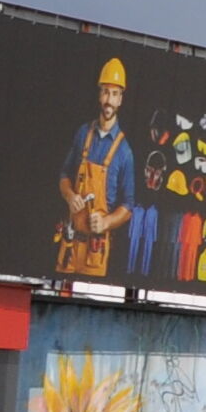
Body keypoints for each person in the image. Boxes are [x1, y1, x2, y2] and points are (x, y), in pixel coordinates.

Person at [57, 57, 135, 280]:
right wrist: (70, 196)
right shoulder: (83, 133)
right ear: (99, 94)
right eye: (105, 92)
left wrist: (106, 222)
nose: (108, 100)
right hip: (70, 244)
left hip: (96, 251)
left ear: (120, 99)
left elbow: (128, 205)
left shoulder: (124, 152)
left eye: (114, 94)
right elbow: (64, 175)